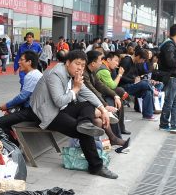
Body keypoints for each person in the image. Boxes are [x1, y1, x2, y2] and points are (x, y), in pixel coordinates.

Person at [29, 50, 117, 178]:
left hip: (60, 108)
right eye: (77, 64)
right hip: (48, 113)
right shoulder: (56, 74)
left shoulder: (72, 73)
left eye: (82, 65)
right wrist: (75, 88)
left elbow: (86, 92)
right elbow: (59, 101)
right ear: (68, 62)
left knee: (87, 106)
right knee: (85, 132)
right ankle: (96, 167)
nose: (80, 68)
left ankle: (85, 122)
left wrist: (102, 109)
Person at [84, 50, 130, 151]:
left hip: (92, 101)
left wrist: (115, 96)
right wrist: (104, 106)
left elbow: (100, 86)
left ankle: (113, 138)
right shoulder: (86, 73)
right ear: (93, 63)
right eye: (100, 60)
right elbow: (93, 91)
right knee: (101, 117)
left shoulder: (92, 72)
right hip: (84, 103)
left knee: (116, 97)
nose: (102, 62)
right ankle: (113, 138)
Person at [0, 50, 43, 138]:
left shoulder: (31, 76)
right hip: (35, 109)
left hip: (33, 112)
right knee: (8, 118)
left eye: (21, 60)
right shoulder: (37, 73)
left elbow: (22, 97)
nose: (19, 62)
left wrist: (7, 106)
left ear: (29, 62)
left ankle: (13, 145)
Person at [95, 52, 130, 135]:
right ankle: (119, 131)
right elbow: (113, 86)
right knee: (119, 94)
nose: (117, 63)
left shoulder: (108, 68)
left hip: (103, 93)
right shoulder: (103, 70)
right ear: (108, 60)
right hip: (100, 96)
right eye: (116, 61)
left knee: (120, 94)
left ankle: (120, 129)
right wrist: (120, 74)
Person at [119, 48, 156, 120]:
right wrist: (133, 80)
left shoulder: (135, 63)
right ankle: (153, 90)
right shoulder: (127, 61)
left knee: (147, 91)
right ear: (138, 56)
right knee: (145, 83)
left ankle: (147, 115)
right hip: (123, 86)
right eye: (142, 60)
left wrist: (138, 78)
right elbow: (120, 76)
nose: (142, 62)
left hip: (132, 85)